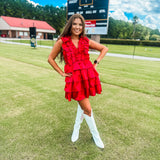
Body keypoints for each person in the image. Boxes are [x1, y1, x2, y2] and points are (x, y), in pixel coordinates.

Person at [48, 14, 108, 149]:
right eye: (75, 24)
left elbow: (104, 48)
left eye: (80, 25)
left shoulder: (85, 41)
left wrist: (96, 63)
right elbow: (50, 59)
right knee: (87, 108)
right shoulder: (62, 41)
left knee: (83, 104)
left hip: (87, 77)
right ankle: (96, 136)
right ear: (70, 25)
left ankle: (76, 128)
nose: (77, 27)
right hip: (74, 80)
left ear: (83, 27)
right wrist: (61, 73)